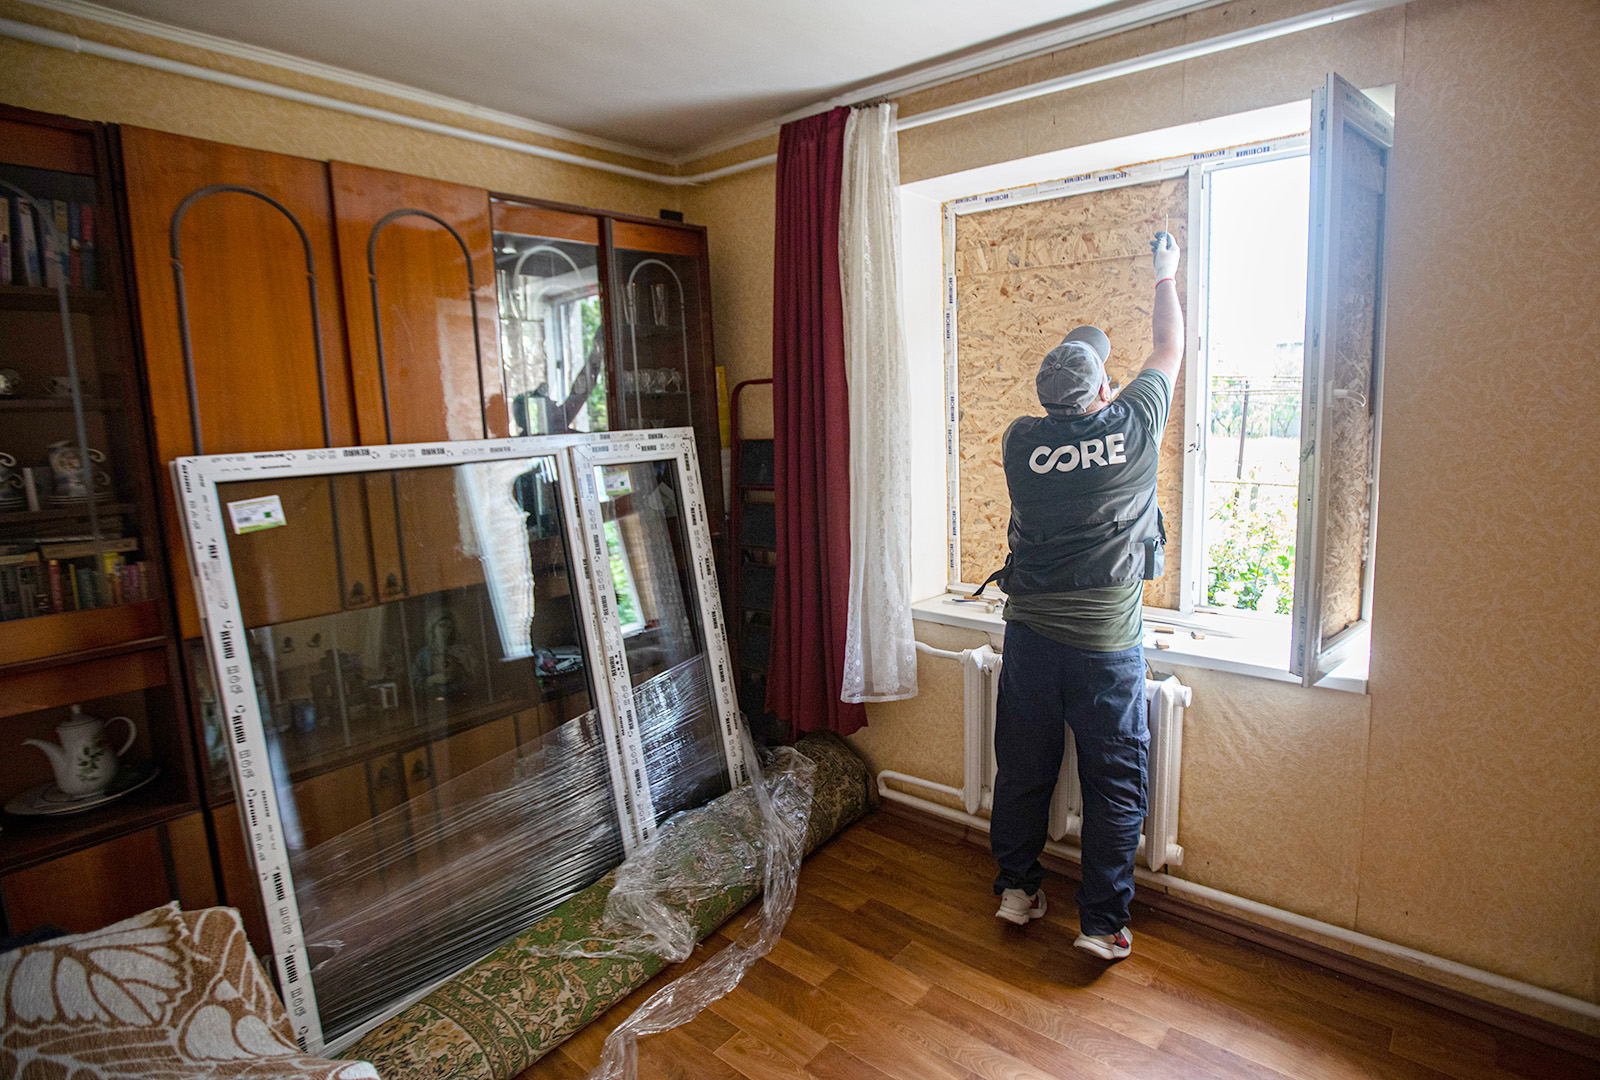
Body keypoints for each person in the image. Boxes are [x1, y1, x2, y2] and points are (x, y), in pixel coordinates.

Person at [984, 231, 1184, 961]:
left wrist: (1077, 359)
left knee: (1024, 769)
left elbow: (1071, 387)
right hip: (1106, 650)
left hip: (1031, 640)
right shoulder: (1132, 427)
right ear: (1105, 392)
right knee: (1113, 781)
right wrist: (1165, 273)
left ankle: (1017, 890)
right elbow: (1167, 348)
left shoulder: (1019, 443)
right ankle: (1101, 924)